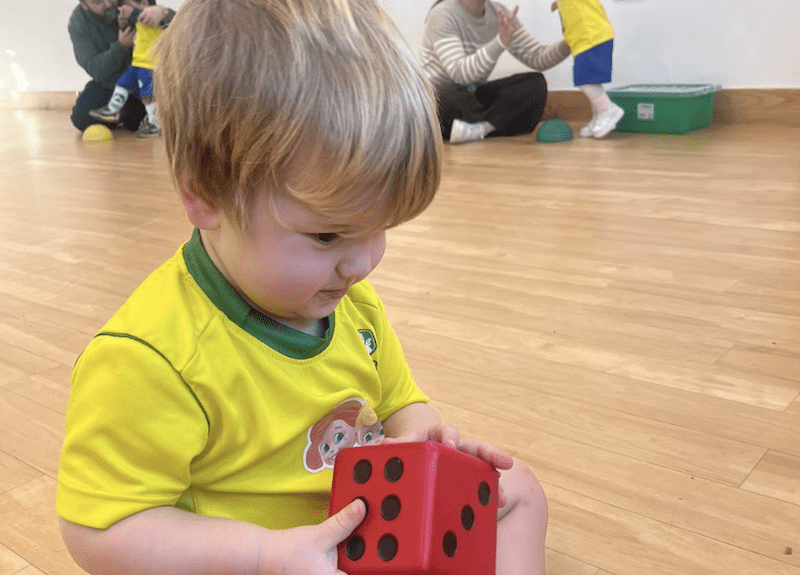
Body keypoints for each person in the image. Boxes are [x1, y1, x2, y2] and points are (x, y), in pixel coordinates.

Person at [57, 2, 549, 575]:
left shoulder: (352, 305)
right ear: (205, 194)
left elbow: (399, 404)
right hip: (255, 561)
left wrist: (427, 442)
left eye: (380, 228)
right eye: (328, 235)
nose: (362, 264)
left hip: (368, 533)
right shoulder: (150, 359)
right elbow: (100, 529)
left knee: (518, 489)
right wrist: (261, 554)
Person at [421, 0, 570, 144]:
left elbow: (538, 58)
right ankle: (495, 124)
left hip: (472, 98)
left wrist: (573, 40)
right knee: (445, 94)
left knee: (535, 84)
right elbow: (460, 74)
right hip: (443, 104)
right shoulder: (442, 14)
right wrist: (500, 43)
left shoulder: (500, 13)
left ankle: (480, 129)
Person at [68, 0, 173, 132]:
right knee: (81, 117)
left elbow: (179, 28)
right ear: (84, 5)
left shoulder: (132, 2)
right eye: (97, 2)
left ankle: (129, 114)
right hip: (112, 83)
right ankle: (126, 113)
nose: (107, 4)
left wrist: (164, 13)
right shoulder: (79, 23)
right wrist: (121, 47)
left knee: (134, 119)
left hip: (149, 79)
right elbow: (95, 69)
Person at [551, 0, 623, 138]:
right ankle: (598, 115)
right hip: (583, 40)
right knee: (591, 79)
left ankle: (608, 110)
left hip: (592, 36)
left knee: (583, 79)